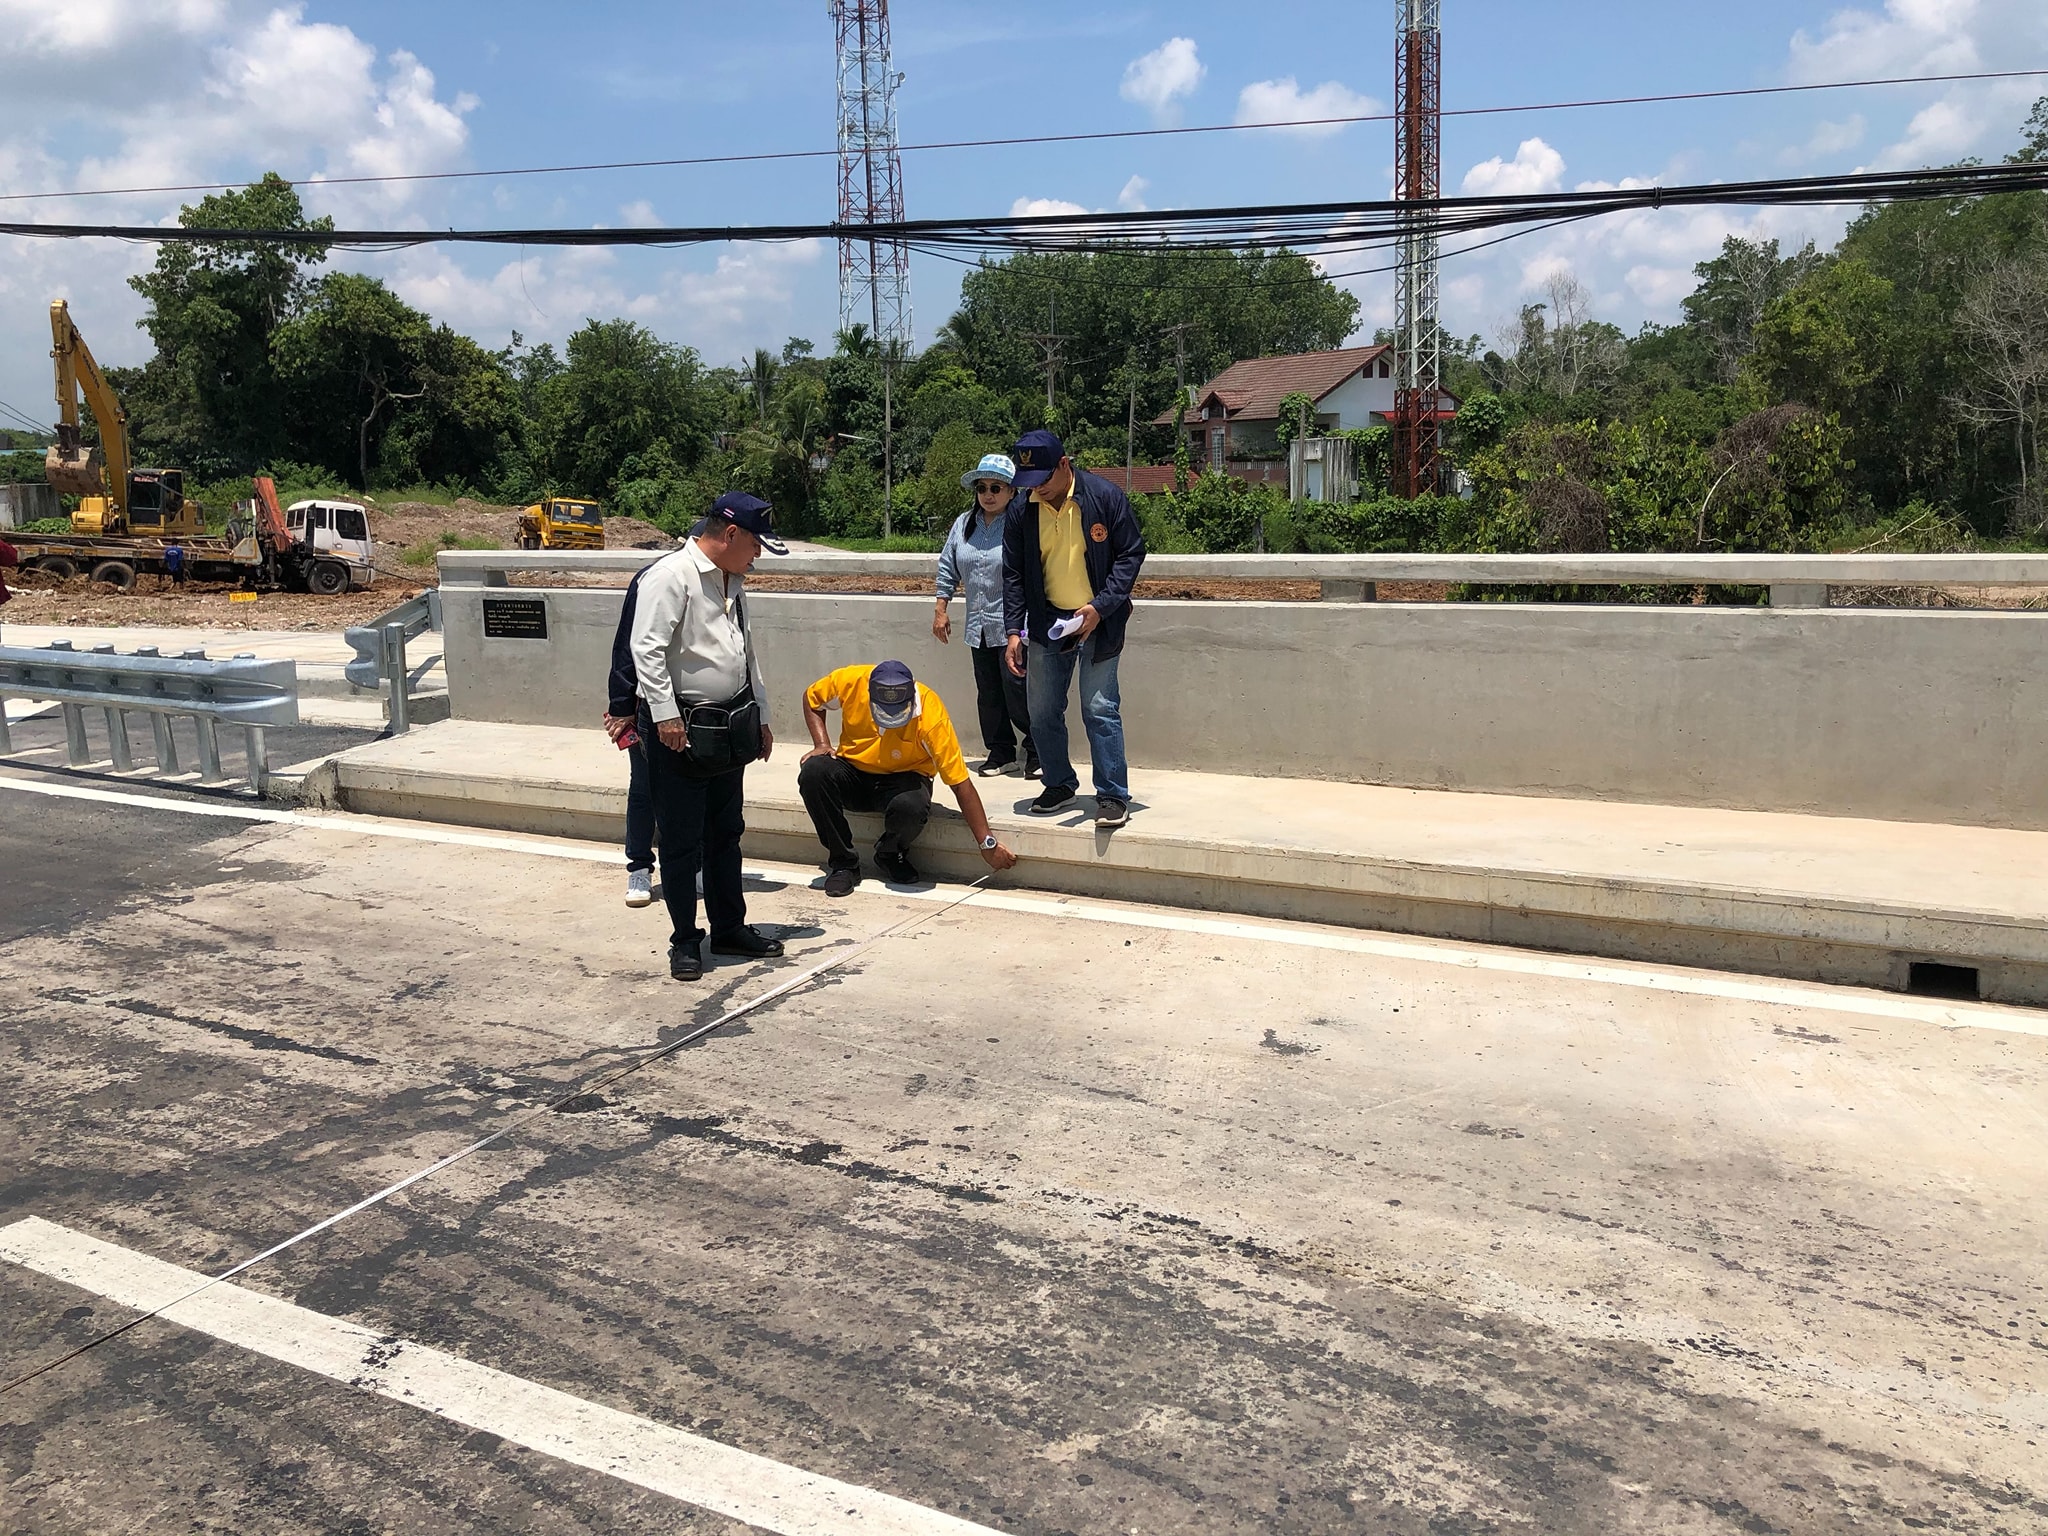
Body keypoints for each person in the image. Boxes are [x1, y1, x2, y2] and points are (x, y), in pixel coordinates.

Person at [630, 491, 788, 981]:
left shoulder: (732, 580)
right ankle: (685, 940)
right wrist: (665, 716)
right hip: (680, 729)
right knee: (681, 842)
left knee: (726, 833)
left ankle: (729, 928)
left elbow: (746, 653)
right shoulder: (671, 576)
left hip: (729, 725)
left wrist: (761, 716)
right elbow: (646, 650)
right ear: (731, 534)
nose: (758, 554)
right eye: (756, 544)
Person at [1001, 429, 1147, 826]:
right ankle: (1059, 783)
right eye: (1029, 482)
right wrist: (1013, 630)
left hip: (1100, 620)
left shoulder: (1104, 497)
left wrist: (1100, 607)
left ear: (1064, 464)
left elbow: (1131, 554)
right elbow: (1013, 574)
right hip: (1048, 622)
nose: (1037, 489)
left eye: (1043, 479)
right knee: (1042, 710)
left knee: (1099, 707)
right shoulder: (1022, 510)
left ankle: (1112, 795)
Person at [798, 659, 1019, 897]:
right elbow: (811, 698)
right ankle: (843, 864)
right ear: (870, 696)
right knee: (813, 772)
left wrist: (987, 843)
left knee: (912, 805)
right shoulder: (851, 681)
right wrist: (821, 744)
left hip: (903, 781)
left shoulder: (931, 712)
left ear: (912, 698)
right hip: (853, 773)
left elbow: (960, 784)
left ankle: (891, 853)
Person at [934, 453, 1037, 779]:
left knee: (1018, 689)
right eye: (982, 488)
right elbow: (948, 565)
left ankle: (1038, 749)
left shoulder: (1022, 524)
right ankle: (1001, 752)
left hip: (1014, 625)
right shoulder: (964, 524)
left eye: (996, 487)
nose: (988, 495)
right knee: (989, 693)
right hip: (978, 625)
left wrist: (1023, 628)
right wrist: (941, 609)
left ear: (1011, 491)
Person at [602, 564, 657, 908]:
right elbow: (627, 644)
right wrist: (621, 705)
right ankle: (639, 867)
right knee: (644, 789)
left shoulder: (720, 579)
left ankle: (696, 863)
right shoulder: (652, 578)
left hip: (698, 707)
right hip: (646, 704)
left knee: (696, 792)